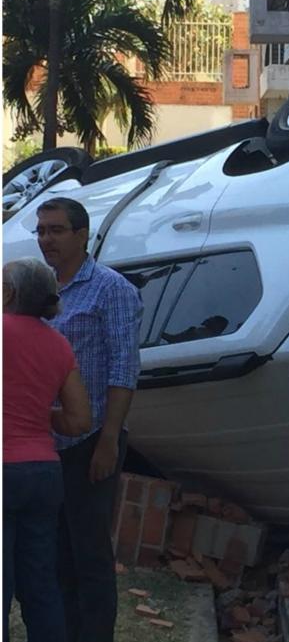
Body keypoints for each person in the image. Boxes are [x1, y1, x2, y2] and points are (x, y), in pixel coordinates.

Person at [35, 197, 143, 642]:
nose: (47, 240)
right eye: (42, 231)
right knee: (56, 552)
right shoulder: (40, 290)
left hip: (91, 440)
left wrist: (109, 441)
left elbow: (123, 369)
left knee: (90, 551)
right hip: (45, 442)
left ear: (82, 235)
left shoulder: (111, 289)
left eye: (56, 230)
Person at [4, 258, 94, 642]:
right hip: (43, 472)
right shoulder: (59, 345)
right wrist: (38, 414)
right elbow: (79, 421)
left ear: (9, 292)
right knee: (40, 584)